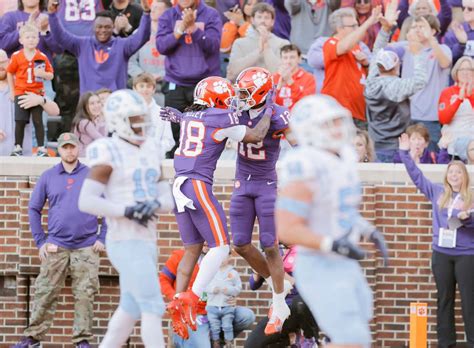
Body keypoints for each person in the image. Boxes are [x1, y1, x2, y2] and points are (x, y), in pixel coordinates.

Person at [160, 76, 272, 339]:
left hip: (178, 183)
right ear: (217, 100)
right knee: (221, 247)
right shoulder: (221, 118)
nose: (231, 103)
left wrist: (180, 118)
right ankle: (191, 297)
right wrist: (267, 110)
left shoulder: (189, 116)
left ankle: (178, 299)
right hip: (197, 184)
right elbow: (256, 135)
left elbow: (191, 120)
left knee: (192, 249)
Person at [275, 94, 389, 347]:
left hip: (342, 261)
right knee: (352, 339)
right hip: (319, 263)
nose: (338, 129)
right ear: (310, 129)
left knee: (358, 335)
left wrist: (367, 230)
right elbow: (286, 229)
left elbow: (339, 210)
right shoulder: (305, 164)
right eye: (329, 123)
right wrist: (331, 244)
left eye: (338, 121)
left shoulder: (343, 157)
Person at [78, 89, 175, 347]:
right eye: (134, 118)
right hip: (123, 239)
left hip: (147, 239)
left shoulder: (152, 148)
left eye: (142, 116)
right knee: (153, 306)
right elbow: (86, 201)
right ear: (119, 121)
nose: (141, 123)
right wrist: (127, 210)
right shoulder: (109, 151)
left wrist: (154, 204)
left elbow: (169, 197)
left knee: (129, 310)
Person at [12, 132, 107, 348]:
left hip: (86, 247)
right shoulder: (48, 176)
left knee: (85, 295)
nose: (69, 150)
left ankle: (82, 340)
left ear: (78, 149)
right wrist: (40, 242)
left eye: (72, 146)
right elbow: (34, 208)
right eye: (65, 147)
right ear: (60, 150)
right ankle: (33, 338)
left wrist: (103, 237)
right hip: (56, 245)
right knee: (44, 292)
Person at [230, 67, 295, 335]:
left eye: (245, 93)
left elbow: (299, 142)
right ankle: (280, 283)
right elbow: (254, 134)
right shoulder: (236, 112)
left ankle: (279, 304)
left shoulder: (279, 114)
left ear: (259, 94)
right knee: (241, 244)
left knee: (270, 245)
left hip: (266, 183)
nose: (240, 98)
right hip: (241, 181)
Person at [398, 133, 474, 347]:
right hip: (441, 254)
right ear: (446, 175)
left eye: (458, 171)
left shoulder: (471, 197)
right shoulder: (437, 192)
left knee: (469, 301)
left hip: (466, 255)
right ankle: (446, 342)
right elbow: (416, 175)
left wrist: (467, 219)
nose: (454, 174)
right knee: (444, 299)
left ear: (464, 176)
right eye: (451, 171)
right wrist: (404, 153)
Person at [155, 0, 222, 157]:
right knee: (177, 136)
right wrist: (180, 29)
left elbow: (214, 45)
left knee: (205, 136)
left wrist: (194, 29)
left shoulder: (211, 14)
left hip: (204, 84)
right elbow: (161, 46)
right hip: (176, 82)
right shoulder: (168, 15)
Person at [364, 3, 428, 163]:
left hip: (375, 145)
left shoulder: (370, 83)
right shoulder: (398, 87)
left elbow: (376, 52)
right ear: (396, 66)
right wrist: (418, 52)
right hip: (396, 147)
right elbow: (421, 80)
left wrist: (385, 30)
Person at [47, 0, 151, 94]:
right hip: (90, 104)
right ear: (93, 28)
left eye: (107, 27)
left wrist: (146, 14)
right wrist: (52, 15)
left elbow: (142, 37)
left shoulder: (122, 46)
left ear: (113, 28)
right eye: (99, 27)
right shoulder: (82, 45)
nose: (103, 30)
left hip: (115, 103)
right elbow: (60, 36)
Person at [159, 246, 255, 348]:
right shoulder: (179, 256)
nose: (205, 241)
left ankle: (215, 342)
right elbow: (163, 280)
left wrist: (228, 298)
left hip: (216, 309)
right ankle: (180, 339)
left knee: (246, 316)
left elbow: (223, 285)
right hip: (194, 315)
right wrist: (177, 299)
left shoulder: (219, 260)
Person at [388, 15, 452, 151]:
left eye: (421, 27)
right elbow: (384, 51)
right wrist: (387, 27)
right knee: (408, 158)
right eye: (414, 27)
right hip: (406, 115)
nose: (417, 30)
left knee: (431, 158)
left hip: (431, 117)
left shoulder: (442, 48)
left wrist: (430, 39)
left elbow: (445, 62)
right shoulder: (405, 47)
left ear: (433, 31)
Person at [244, 246, 321, 348]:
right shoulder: (274, 251)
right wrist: (258, 269)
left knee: (299, 303)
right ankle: (291, 340)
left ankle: (308, 337)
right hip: (280, 309)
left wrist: (279, 272)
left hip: (301, 307)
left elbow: (307, 287)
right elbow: (253, 285)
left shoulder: (302, 252)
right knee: (252, 345)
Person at [321, 6, 382, 129]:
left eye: (357, 25)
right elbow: (344, 47)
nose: (357, 29)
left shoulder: (356, 47)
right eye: (353, 26)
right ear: (339, 28)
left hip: (359, 112)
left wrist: (365, 64)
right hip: (338, 111)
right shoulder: (331, 43)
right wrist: (369, 22)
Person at [7, 23, 54, 157]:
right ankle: (17, 147)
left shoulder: (42, 57)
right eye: (27, 37)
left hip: (37, 93)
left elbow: (51, 74)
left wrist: (43, 74)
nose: (31, 40)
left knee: (38, 121)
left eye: (34, 37)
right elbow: (10, 72)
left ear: (38, 40)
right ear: (21, 40)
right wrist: (12, 91)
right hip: (21, 92)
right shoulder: (16, 56)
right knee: (20, 121)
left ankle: (41, 148)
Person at [0, 49, 59, 156]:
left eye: (2, 62)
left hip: (23, 159)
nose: (0, 66)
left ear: (9, 62)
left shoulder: (26, 85)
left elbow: (55, 111)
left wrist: (41, 100)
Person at [226, 3, 289, 81]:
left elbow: (282, 75)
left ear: (272, 21)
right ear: (252, 20)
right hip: (245, 90)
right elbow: (231, 74)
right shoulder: (239, 43)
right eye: (259, 17)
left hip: (273, 90)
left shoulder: (283, 43)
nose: (263, 21)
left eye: (267, 18)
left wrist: (266, 47)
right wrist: (258, 51)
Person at [128, 0, 171, 107]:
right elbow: (130, 61)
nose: (153, 9)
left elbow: (179, 64)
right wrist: (143, 76)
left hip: (165, 88)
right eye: (153, 7)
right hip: (141, 88)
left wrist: (161, 75)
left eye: (158, 8)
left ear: (167, 13)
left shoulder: (173, 35)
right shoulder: (139, 33)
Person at [438, 56, 474, 159]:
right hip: (452, 144)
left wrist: (470, 95)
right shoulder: (447, 92)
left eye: (469, 69)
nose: (465, 72)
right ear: (456, 72)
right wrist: (459, 99)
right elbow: (444, 119)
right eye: (462, 69)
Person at [132, 72, 174, 158]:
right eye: (141, 86)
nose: (145, 89)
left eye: (148, 86)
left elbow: (169, 141)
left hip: (155, 159)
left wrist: (154, 149)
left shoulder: (163, 113)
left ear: (154, 89)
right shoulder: (128, 111)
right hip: (133, 158)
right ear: (134, 89)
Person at [206, 252, 242, 348]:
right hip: (212, 305)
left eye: (223, 257)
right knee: (214, 327)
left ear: (229, 257)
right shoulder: (211, 272)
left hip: (227, 306)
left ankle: (229, 343)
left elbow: (238, 288)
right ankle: (216, 342)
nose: (220, 259)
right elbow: (205, 286)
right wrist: (213, 289)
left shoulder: (233, 273)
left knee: (227, 326)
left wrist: (230, 290)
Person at [273, 44, 316, 109]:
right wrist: (278, 88)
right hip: (278, 118)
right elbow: (269, 105)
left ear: (299, 59)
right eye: (285, 58)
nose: (288, 61)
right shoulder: (274, 78)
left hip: (299, 117)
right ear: (281, 60)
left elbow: (307, 103)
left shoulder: (309, 78)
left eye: (292, 57)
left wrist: (291, 83)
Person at [71, 92, 107, 157]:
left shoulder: (95, 120)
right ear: (85, 106)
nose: (96, 106)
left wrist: (102, 117)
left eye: (98, 102)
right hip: (83, 158)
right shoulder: (84, 122)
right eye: (92, 103)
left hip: (91, 156)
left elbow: (104, 135)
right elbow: (102, 140)